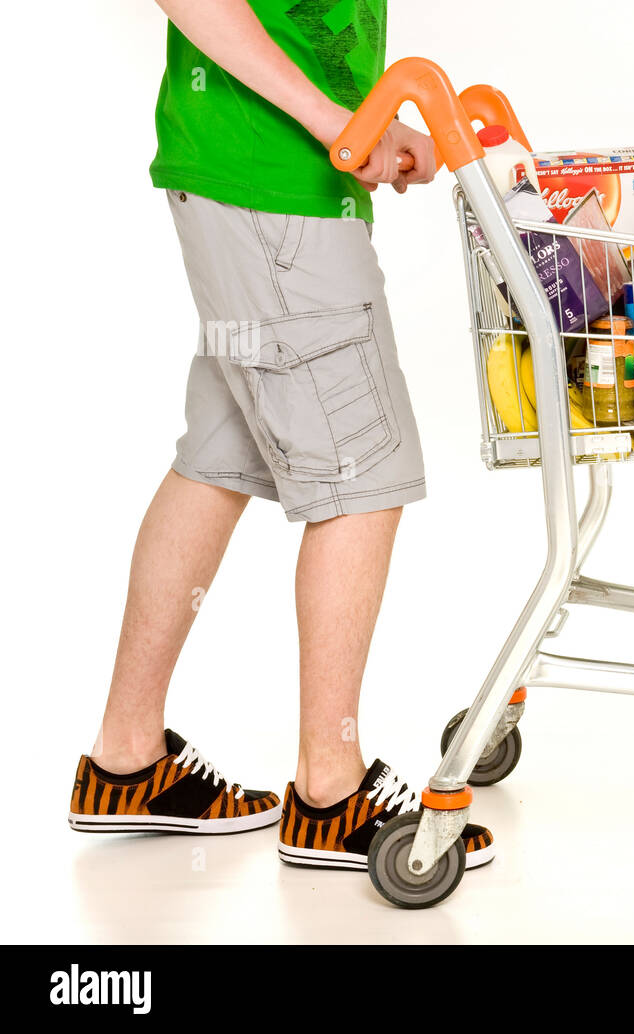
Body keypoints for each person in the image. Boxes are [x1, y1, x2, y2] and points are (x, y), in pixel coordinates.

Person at [67, 0, 494, 872]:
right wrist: (338, 123)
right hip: (273, 197)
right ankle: (331, 793)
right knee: (364, 476)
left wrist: (371, 119)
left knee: (219, 457)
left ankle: (126, 758)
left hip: (252, 194)